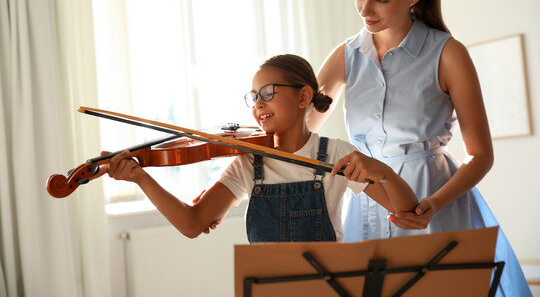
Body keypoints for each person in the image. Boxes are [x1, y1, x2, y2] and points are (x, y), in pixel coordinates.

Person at [306, 0, 530, 295]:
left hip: (433, 198)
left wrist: (433, 205)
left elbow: (481, 155)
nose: (365, 9)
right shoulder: (345, 56)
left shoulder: (448, 53)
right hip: (366, 198)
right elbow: (303, 132)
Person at [99, 54, 418, 243]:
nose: (258, 105)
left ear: (303, 97)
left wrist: (385, 173)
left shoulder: (335, 154)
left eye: (268, 93)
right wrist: (141, 178)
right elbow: (193, 223)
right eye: (254, 97)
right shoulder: (247, 164)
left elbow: (405, 210)